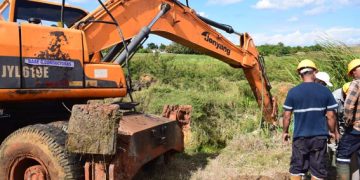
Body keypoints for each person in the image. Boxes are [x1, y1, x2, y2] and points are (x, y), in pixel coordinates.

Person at [283, 59, 338, 180]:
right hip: (319, 137)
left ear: (300, 74)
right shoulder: (325, 91)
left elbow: (287, 115)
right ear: (315, 72)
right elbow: (331, 116)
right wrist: (332, 131)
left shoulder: (293, 92)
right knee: (318, 170)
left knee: (297, 168)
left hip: (300, 137)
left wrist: (285, 132)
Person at [336, 59, 360, 180]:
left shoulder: (356, 83)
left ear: (355, 70)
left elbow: (349, 106)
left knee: (342, 154)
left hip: (356, 128)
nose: (352, 76)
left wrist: (347, 122)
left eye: (352, 73)